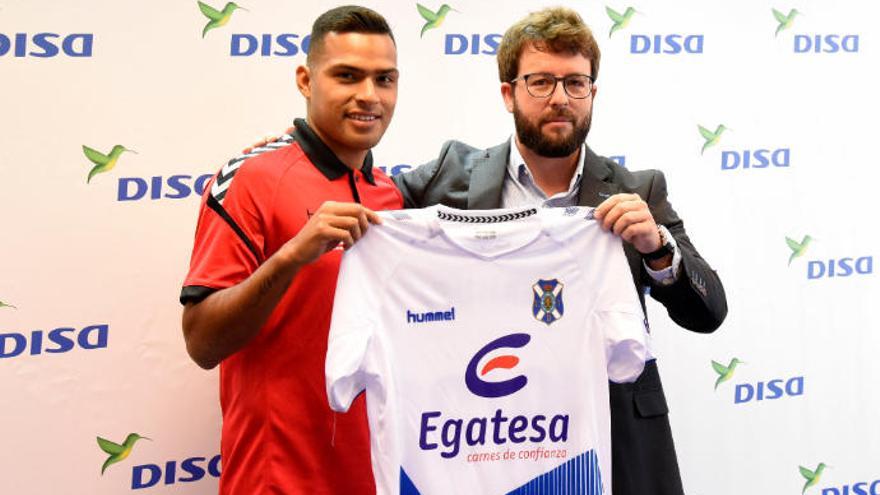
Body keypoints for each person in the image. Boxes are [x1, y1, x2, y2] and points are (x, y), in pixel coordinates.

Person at [393, 7, 728, 495]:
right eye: (541, 82)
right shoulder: (450, 175)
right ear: (508, 93)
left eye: (575, 83)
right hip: (487, 435)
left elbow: (710, 311)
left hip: (613, 442)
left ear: (593, 93)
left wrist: (658, 248)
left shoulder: (638, 190)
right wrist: (299, 147)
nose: (560, 99)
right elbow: (363, 201)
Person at [179, 6, 402, 494]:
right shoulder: (252, 178)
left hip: (373, 476)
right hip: (277, 478)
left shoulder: (390, 193)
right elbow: (201, 342)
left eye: (384, 79)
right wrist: (292, 255)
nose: (369, 95)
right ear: (305, 79)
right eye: (347, 76)